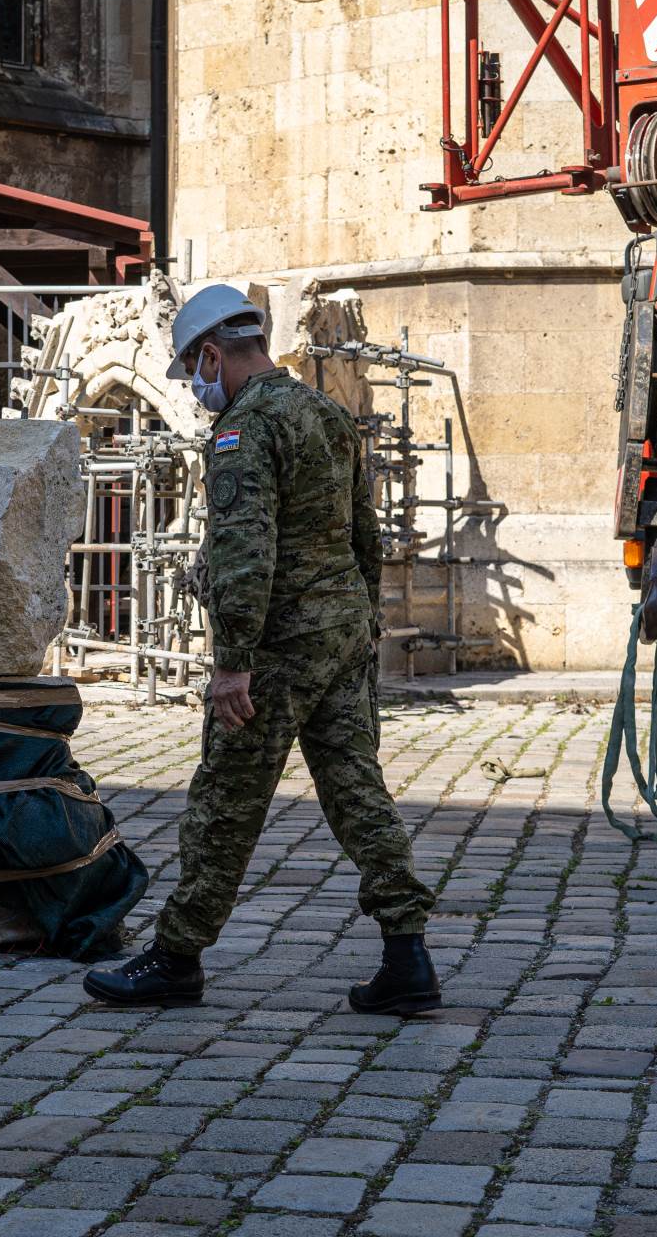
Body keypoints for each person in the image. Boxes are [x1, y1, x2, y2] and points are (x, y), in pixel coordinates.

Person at [83, 284, 440, 1015]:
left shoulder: (242, 430)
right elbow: (364, 535)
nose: (199, 387)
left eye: (195, 371)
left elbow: (244, 552)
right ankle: (408, 956)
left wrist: (232, 661)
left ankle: (177, 957)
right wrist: (361, 618)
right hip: (340, 635)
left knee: (224, 800)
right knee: (356, 791)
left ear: (212, 354)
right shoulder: (329, 414)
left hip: (276, 647)